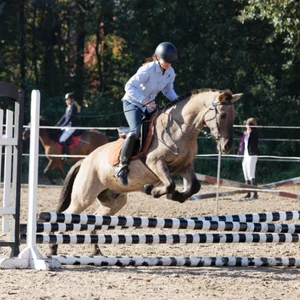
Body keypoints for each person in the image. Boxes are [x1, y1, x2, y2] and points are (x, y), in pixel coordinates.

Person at [115, 41, 179, 185]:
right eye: (166, 61)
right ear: (157, 57)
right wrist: (144, 101)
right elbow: (129, 86)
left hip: (149, 105)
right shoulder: (147, 69)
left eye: (171, 62)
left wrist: (179, 101)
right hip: (132, 102)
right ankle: (122, 165)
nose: (169, 64)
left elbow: (168, 91)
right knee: (136, 131)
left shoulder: (170, 72)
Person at [236, 117, 259, 199]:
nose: (247, 127)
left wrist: (251, 128)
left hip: (252, 156)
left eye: (248, 125)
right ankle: (248, 193)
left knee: (251, 174)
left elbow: (254, 131)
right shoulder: (245, 134)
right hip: (245, 156)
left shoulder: (254, 133)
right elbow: (238, 133)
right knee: (246, 175)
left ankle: (255, 194)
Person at [56, 92, 81, 158]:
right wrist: (58, 124)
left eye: (67, 99)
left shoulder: (73, 107)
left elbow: (69, 118)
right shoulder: (68, 107)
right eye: (66, 100)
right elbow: (64, 117)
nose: (66, 101)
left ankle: (67, 154)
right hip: (67, 126)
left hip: (71, 127)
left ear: (71, 100)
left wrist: (63, 125)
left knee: (62, 139)